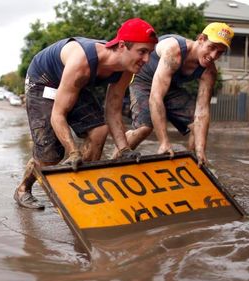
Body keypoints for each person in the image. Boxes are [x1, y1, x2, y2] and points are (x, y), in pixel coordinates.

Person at [14, 18, 158, 210]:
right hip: (44, 80)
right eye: (142, 52)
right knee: (50, 155)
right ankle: (23, 189)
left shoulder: (126, 68)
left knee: (99, 130)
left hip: (73, 83)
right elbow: (58, 114)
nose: (147, 60)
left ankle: (83, 190)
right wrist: (73, 151)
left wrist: (124, 150)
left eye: (150, 53)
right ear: (122, 46)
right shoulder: (82, 61)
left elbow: (113, 110)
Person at [114, 22, 234, 166]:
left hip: (169, 85)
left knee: (197, 127)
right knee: (144, 128)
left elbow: (202, 111)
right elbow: (156, 97)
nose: (213, 56)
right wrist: (164, 142)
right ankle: (113, 161)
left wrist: (201, 150)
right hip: (144, 80)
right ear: (201, 39)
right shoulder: (174, 51)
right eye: (212, 47)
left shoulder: (209, 72)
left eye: (220, 52)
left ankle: (192, 165)